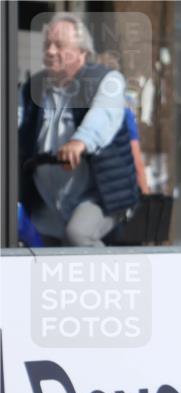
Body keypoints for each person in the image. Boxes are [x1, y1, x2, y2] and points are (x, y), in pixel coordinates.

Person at [18, 13, 138, 246]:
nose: (50, 52)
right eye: (47, 45)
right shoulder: (32, 88)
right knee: (33, 244)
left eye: (60, 45)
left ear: (83, 52)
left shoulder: (107, 81)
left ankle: (110, 280)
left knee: (78, 234)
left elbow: (103, 116)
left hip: (98, 193)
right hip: (46, 200)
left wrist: (79, 142)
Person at [97, 51, 150, 194]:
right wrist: (146, 194)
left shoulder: (79, 110)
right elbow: (136, 162)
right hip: (113, 190)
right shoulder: (123, 114)